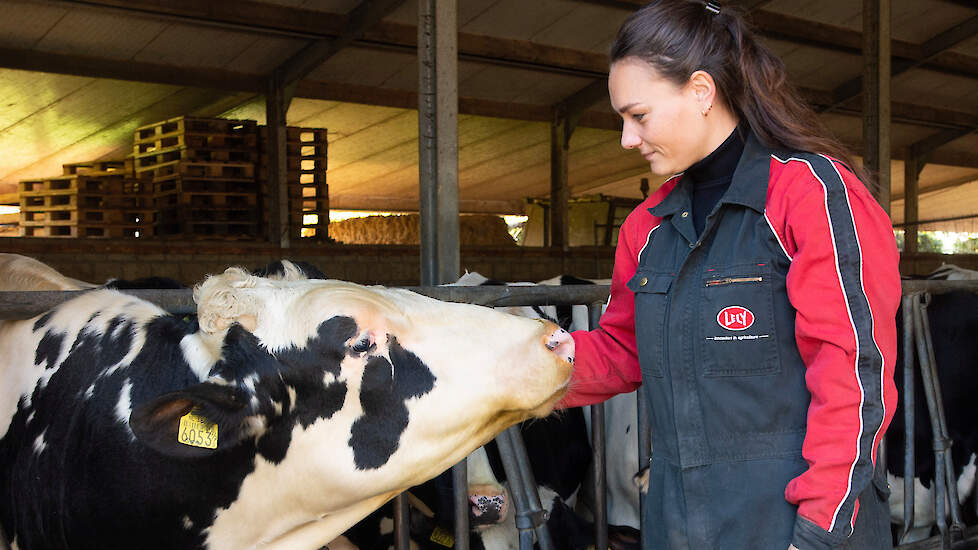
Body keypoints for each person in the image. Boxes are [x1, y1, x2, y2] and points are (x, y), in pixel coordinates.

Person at [559, 2, 901, 549]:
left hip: (793, 521)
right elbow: (623, 350)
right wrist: (509, 364)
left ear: (700, 91)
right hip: (677, 520)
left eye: (638, 115)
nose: (626, 138)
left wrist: (816, 534)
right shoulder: (646, 227)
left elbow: (853, 376)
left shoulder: (811, 195)